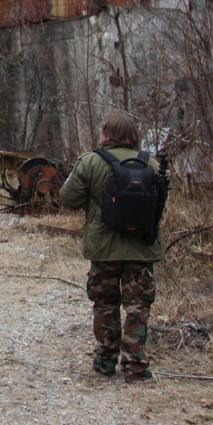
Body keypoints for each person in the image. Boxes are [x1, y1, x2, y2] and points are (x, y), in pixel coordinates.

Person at [59, 110, 164, 383]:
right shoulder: (151, 163)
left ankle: (105, 360)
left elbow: (67, 198)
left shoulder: (91, 162)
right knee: (138, 306)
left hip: (103, 248)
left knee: (105, 303)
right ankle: (135, 366)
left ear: (107, 133)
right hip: (141, 247)